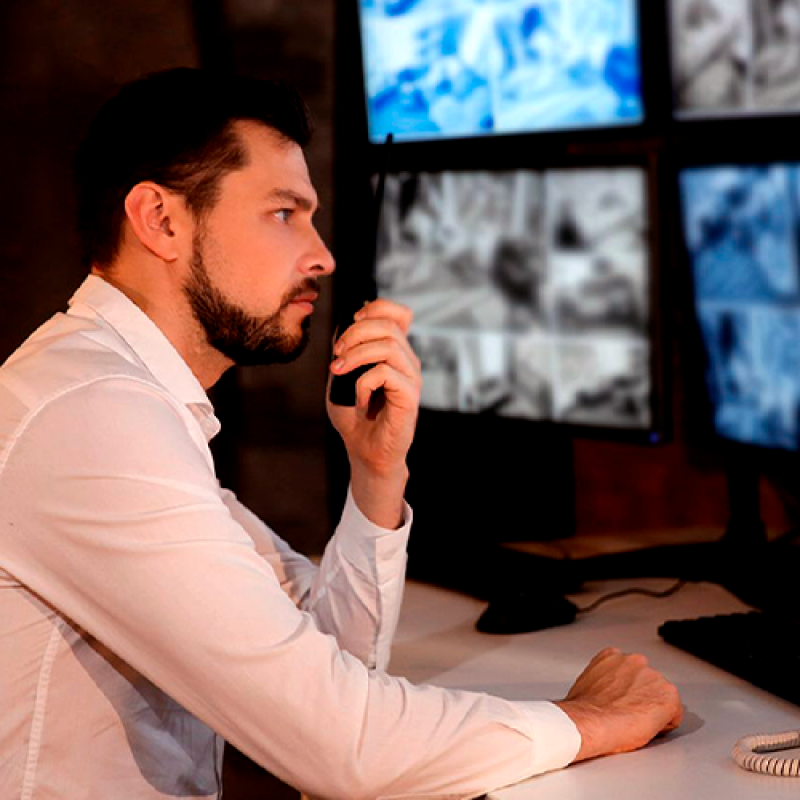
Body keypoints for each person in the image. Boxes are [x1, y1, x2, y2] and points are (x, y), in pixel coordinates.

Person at [0, 68, 682, 800]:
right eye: (284, 213)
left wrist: (375, 474)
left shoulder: (117, 399)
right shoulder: (94, 415)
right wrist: (590, 721)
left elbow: (329, 672)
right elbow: (340, 749)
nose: (322, 254)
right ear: (161, 220)